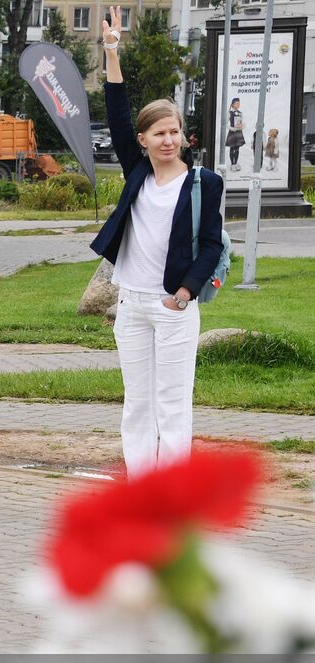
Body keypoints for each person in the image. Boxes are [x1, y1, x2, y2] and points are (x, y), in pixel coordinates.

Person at [90, 6, 224, 476]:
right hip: (131, 303)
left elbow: (211, 245)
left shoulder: (204, 183)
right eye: (158, 133)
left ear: (183, 137)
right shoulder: (138, 171)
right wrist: (112, 54)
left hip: (173, 306)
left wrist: (183, 294)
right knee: (137, 403)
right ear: (143, 139)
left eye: (174, 132)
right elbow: (116, 112)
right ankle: (141, 485)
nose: (168, 140)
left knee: (172, 402)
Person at [224, 98, 244, 172]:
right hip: (232, 132)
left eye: (239, 103)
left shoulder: (240, 113)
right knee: (232, 148)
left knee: (237, 148)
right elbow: (225, 123)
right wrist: (232, 128)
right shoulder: (229, 113)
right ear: (232, 104)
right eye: (236, 103)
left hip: (238, 132)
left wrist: (242, 126)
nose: (238, 105)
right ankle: (232, 164)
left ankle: (236, 163)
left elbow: (241, 122)